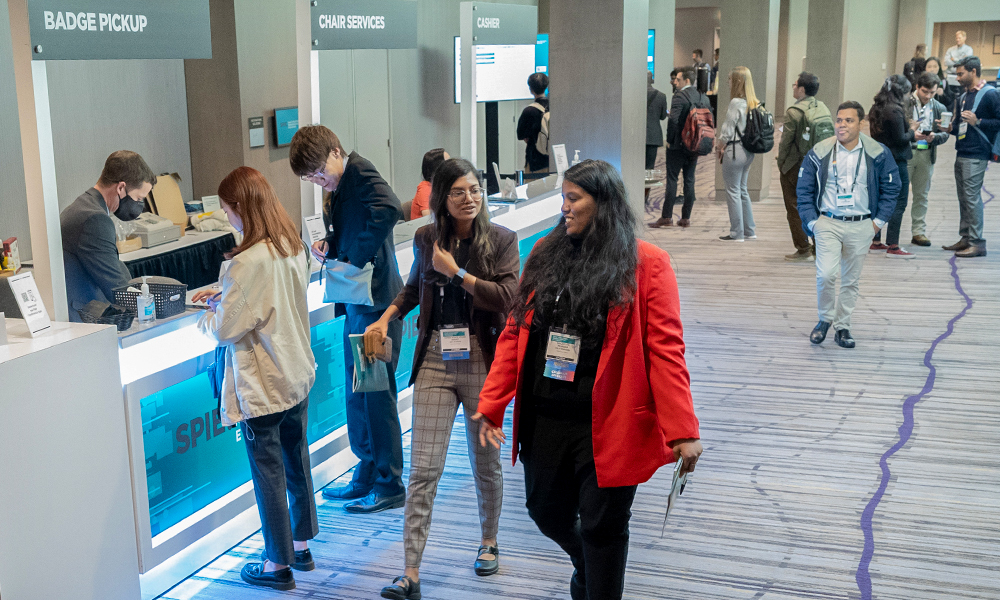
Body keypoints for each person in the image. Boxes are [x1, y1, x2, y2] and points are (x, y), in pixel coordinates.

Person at [473, 159, 703, 600]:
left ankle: (598, 579)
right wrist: (492, 403)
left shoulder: (647, 264)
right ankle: (589, 565)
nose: (564, 207)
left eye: (573, 198)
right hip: (545, 416)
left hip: (610, 419)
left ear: (604, 203)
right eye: (563, 197)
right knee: (544, 511)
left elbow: (666, 351)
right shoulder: (544, 253)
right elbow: (514, 332)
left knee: (603, 527)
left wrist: (682, 430)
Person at [374, 159, 520, 600]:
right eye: (458, 191)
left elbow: (508, 297)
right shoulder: (425, 238)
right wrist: (386, 317)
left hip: (481, 360)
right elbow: (413, 288)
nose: (469, 198)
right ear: (441, 198)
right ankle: (411, 573)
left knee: (484, 464)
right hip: (437, 357)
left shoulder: (501, 239)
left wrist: (456, 272)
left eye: (474, 189)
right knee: (423, 470)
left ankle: (489, 541)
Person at [193, 166, 317, 591]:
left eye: (227, 209)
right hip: (296, 373)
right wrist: (225, 301)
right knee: (296, 463)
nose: (226, 217)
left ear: (240, 207)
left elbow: (228, 329)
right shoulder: (290, 245)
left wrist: (211, 313)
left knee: (269, 475)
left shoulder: (245, 262)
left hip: (264, 385)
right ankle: (300, 546)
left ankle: (276, 565)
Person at [289, 125, 407, 513]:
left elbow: (390, 208)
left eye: (321, 172)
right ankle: (368, 468)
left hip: (376, 310)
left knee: (375, 396)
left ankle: (389, 482)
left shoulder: (359, 172)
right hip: (359, 304)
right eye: (312, 179)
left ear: (336, 152)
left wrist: (353, 256)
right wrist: (333, 246)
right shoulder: (345, 183)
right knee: (359, 394)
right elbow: (357, 223)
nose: (320, 181)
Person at [797, 101, 900, 348]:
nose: (842, 125)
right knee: (826, 275)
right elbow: (803, 189)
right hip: (828, 222)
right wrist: (812, 222)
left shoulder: (878, 152)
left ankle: (843, 326)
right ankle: (824, 320)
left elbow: (892, 187)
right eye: (839, 120)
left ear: (861, 123)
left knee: (851, 280)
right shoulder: (821, 151)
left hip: (862, 224)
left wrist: (876, 224)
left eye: (849, 120)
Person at [60, 150, 154, 322]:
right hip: (84, 320)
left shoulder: (82, 206)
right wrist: (149, 305)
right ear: (120, 187)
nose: (139, 205)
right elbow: (116, 287)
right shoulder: (95, 220)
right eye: (139, 198)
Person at [945, 56, 1000, 258]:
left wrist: (979, 121)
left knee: (971, 197)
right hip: (962, 150)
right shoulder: (963, 97)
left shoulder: (991, 95)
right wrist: (949, 129)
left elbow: (998, 122)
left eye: (961, 74)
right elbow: (960, 126)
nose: (957, 78)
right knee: (964, 198)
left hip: (977, 153)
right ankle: (966, 237)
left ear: (974, 71)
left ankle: (977, 242)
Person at [778, 72, 832, 261]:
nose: (793, 88)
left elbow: (785, 143)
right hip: (819, 164)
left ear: (801, 89)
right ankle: (820, 246)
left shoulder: (794, 112)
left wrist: (781, 164)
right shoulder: (823, 107)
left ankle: (803, 248)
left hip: (796, 165)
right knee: (817, 204)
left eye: (794, 85)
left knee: (794, 206)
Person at [649, 67, 710, 228]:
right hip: (695, 144)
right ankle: (685, 217)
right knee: (690, 180)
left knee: (672, 179)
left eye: (678, 79)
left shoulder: (680, 96)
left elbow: (673, 121)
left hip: (677, 146)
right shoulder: (702, 96)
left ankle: (667, 216)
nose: (675, 82)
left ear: (687, 81)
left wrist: (669, 141)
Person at [868, 74, 917, 258]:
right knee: (899, 201)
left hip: (879, 159)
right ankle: (893, 245)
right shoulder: (894, 110)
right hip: (896, 161)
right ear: (902, 92)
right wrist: (912, 130)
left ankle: (876, 240)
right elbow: (900, 138)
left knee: (880, 199)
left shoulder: (876, 108)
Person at [904, 72, 950, 246]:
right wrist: (910, 133)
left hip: (926, 154)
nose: (928, 96)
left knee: (921, 195)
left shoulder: (939, 107)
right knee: (900, 195)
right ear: (917, 87)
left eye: (932, 92)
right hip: (907, 152)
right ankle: (891, 234)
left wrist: (935, 137)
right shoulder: (905, 103)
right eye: (925, 91)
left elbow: (945, 134)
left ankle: (918, 232)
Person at [716, 66, 759, 242]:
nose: (728, 83)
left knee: (733, 191)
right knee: (742, 190)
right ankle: (749, 230)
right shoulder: (754, 103)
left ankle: (736, 232)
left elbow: (727, 131)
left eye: (729, 79)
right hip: (749, 151)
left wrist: (719, 147)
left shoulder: (735, 103)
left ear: (737, 82)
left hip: (734, 150)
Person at [517, 72, 550, 174]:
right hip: (552, 160)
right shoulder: (555, 107)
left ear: (531, 89)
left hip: (535, 161)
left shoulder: (529, 111)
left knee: (532, 189)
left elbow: (520, 134)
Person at [645, 70, 668, 204]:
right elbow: (663, 116)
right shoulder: (661, 96)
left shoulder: (636, 95)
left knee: (636, 165)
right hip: (653, 136)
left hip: (638, 136)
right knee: (649, 168)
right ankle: (645, 196)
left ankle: (636, 193)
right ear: (652, 79)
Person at [410, 148, 449, 220]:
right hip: (424, 229)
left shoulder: (441, 186)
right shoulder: (425, 188)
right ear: (438, 168)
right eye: (448, 163)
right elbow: (428, 218)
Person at [943, 31, 974, 97]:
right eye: (956, 38)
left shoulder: (968, 49)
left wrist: (954, 59)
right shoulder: (950, 49)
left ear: (964, 38)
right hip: (950, 76)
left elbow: (965, 62)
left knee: (961, 97)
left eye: (959, 38)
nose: (957, 40)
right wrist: (960, 60)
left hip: (962, 77)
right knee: (949, 97)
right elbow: (946, 62)